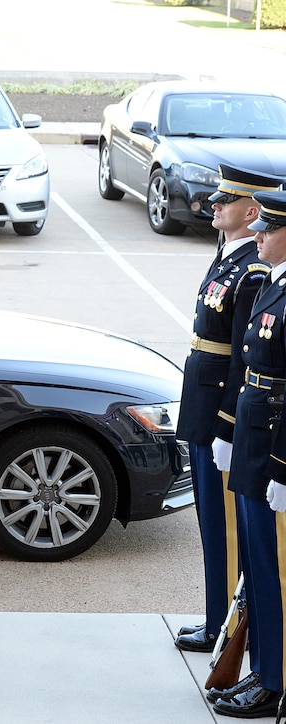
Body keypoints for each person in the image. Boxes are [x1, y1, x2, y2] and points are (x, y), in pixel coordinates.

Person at [174, 164, 282, 654]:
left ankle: (227, 628)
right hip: (204, 404)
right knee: (211, 526)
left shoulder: (253, 271)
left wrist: (225, 424)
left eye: (225, 200)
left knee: (229, 533)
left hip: (224, 411)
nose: (213, 205)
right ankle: (217, 619)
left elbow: (244, 358)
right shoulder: (229, 259)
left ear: (252, 210)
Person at [208, 189, 286, 718]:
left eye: (269, 229)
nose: (257, 235)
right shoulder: (273, 285)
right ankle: (261, 669)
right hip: (254, 435)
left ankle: (275, 680)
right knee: (255, 568)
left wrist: (283, 466)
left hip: (273, 444)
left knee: (273, 568)